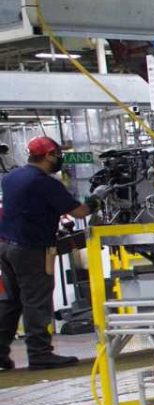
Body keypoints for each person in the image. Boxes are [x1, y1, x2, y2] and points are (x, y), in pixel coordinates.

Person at [0, 137, 96, 371]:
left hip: (5, 246)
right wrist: (97, 201)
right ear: (49, 155)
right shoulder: (44, 183)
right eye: (58, 155)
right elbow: (80, 212)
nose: (60, 160)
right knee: (36, 301)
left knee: (11, 302)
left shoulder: (11, 177)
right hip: (30, 249)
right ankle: (40, 354)